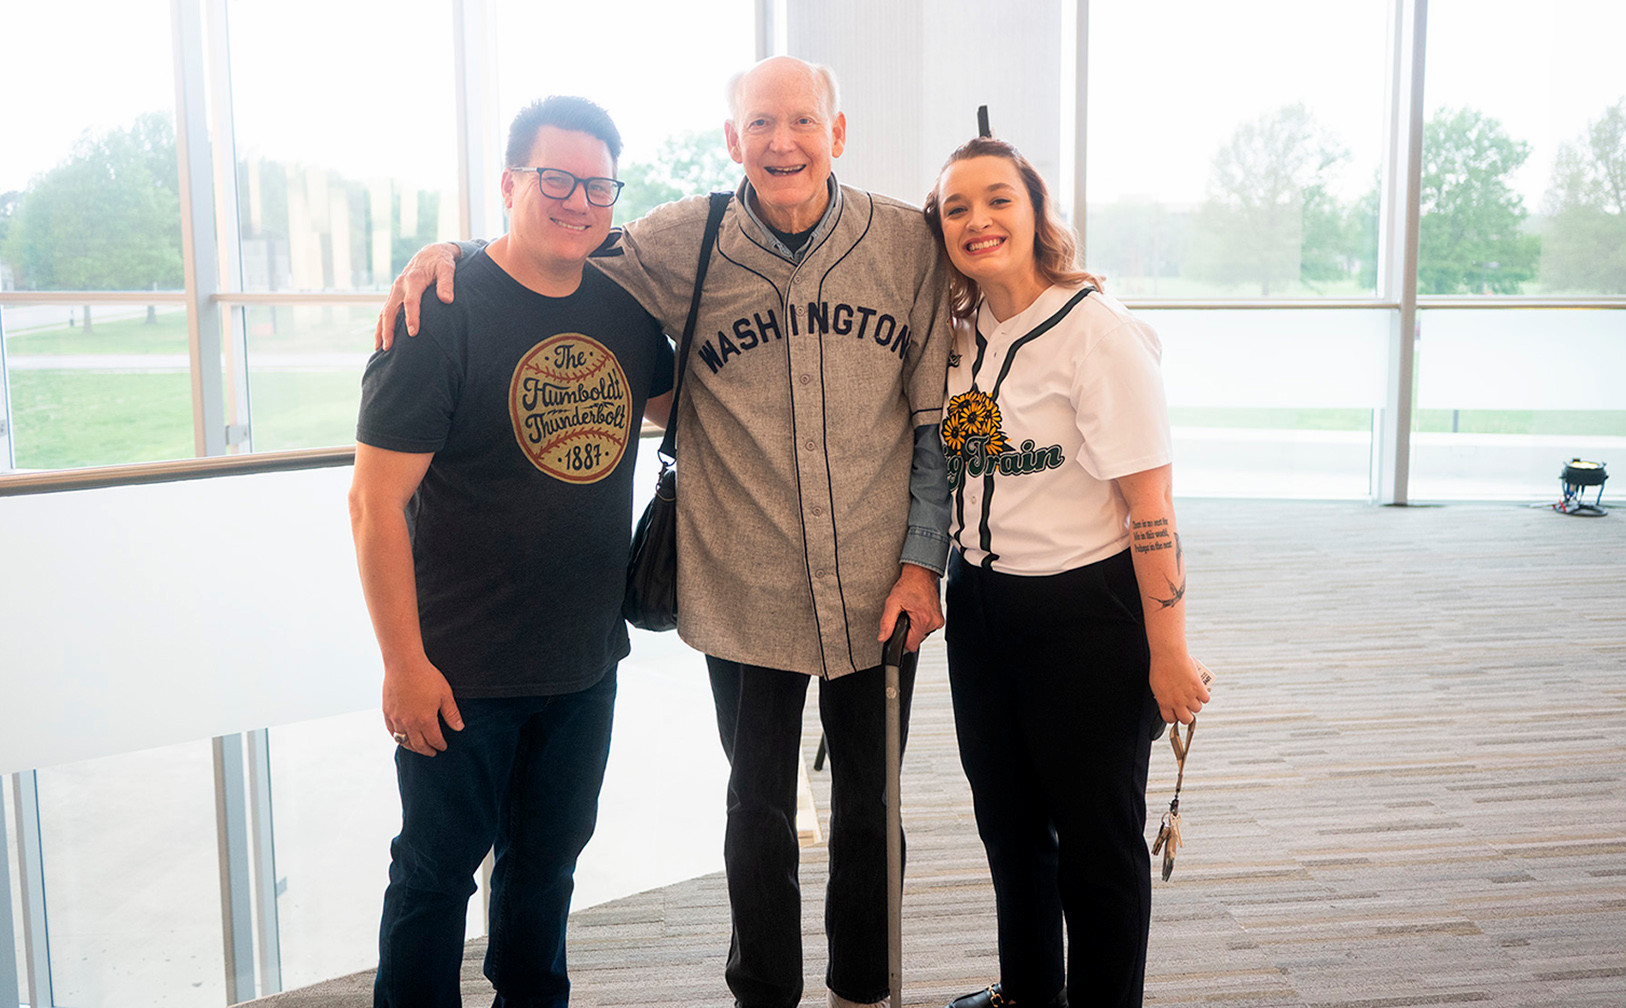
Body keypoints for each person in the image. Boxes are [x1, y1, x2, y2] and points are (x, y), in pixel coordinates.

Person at [376, 56, 953, 1008]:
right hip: (743, 582)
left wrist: (924, 563)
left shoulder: (906, 245)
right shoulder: (684, 239)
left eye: (803, 122)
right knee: (756, 810)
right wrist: (451, 252)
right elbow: (550, 248)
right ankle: (763, 993)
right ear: (732, 141)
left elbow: (941, 421)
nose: (783, 141)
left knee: (872, 810)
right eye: (761, 124)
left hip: (880, 588)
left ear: (837, 134)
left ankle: (866, 991)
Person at [348, 95, 674, 1008]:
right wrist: (403, 665)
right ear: (509, 184)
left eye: (597, 185)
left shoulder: (622, 306)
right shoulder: (440, 307)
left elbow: (684, 406)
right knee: (435, 879)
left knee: (545, 872)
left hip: (582, 664)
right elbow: (374, 506)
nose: (577, 201)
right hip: (460, 672)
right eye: (555, 179)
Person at [922, 137, 1211, 1008]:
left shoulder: (1099, 332)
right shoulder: (963, 329)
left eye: (998, 199)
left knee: (1098, 844)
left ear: (1037, 212)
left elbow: (1151, 511)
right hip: (981, 605)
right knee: (1009, 829)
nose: (978, 220)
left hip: (1086, 613)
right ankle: (1027, 995)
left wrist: (1170, 651)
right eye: (957, 208)